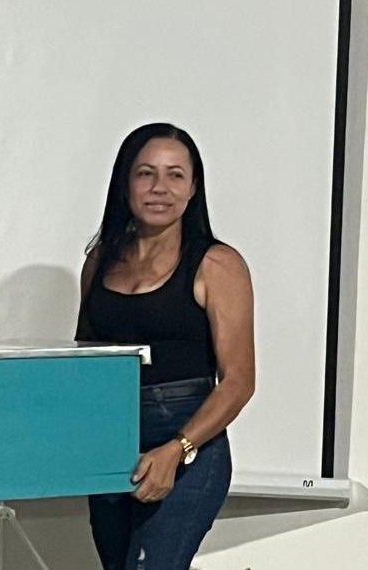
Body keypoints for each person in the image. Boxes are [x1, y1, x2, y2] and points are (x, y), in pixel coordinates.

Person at [76, 123, 255, 570]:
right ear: (125, 184)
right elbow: (85, 364)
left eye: (176, 175)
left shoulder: (218, 264)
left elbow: (239, 382)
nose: (160, 188)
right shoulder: (99, 261)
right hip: (114, 446)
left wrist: (178, 449)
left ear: (193, 188)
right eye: (146, 174)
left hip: (189, 445)